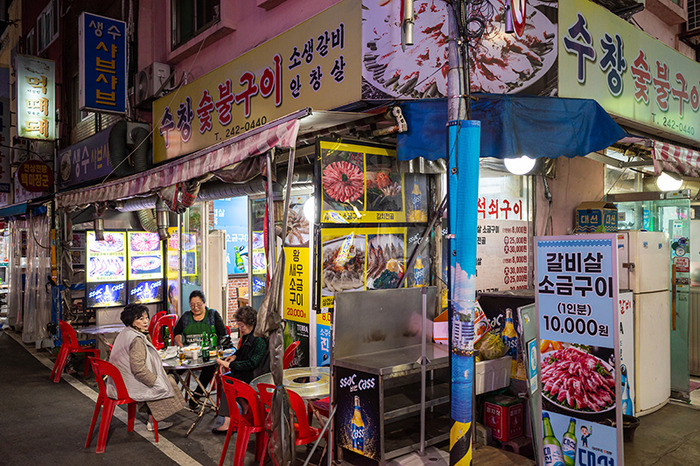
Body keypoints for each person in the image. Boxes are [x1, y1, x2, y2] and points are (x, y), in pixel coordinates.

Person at [109, 303, 185, 431]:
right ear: (131, 321)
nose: (146, 321)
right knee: (169, 380)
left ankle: (153, 418)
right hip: (127, 385)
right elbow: (139, 370)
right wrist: (157, 382)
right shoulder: (136, 339)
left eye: (146, 317)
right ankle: (154, 420)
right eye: (140, 318)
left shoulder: (125, 333)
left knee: (164, 377)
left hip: (119, 382)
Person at [211, 305, 269, 434]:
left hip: (257, 376)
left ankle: (228, 422)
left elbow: (252, 363)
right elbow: (243, 349)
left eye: (242, 325)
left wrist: (230, 365)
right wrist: (234, 356)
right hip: (249, 372)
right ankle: (243, 407)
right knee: (227, 379)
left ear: (251, 323)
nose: (240, 328)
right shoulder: (250, 334)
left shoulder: (259, 340)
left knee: (228, 382)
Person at [172, 290, 227, 408]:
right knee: (173, 371)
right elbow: (176, 332)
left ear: (204, 303)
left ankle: (196, 396)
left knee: (209, 368)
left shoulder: (213, 315)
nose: (195, 307)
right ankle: (171, 400)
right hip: (189, 355)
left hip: (208, 355)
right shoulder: (186, 316)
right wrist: (180, 344)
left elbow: (223, 334)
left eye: (198, 304)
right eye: (192, 305)